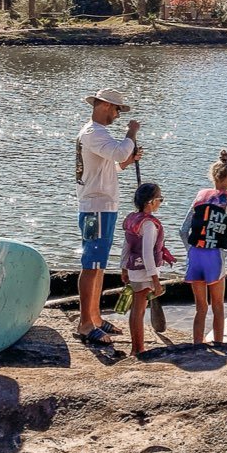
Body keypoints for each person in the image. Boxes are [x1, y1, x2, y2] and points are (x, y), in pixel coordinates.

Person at [75, 88, 141, 345]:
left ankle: (95, 317)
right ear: (103, 105)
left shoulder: (98, 134)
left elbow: (112, 163)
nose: (117, 114)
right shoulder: (93, 132)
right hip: (95, 207)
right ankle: (84, 323)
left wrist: (127, 160)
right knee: (91, 263)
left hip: (102, 205)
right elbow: (119, 152)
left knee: (99, 263)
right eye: (116, 109)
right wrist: (131, 133)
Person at [180, 156, 227, 344]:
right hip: (215, 256)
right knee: (218, 306)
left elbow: (183, 231)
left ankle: (197, 345)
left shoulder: (200, 196)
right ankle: (220, 345)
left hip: (195, 254)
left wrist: (191, 249)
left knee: (201, 308)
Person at [120, 183, 167, 356]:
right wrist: (156, 281)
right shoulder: (148, 225)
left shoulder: (132, 219)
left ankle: (136, 347)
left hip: (134, 269)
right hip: (145, 272)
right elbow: (148, 254)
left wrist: (124, 268)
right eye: (160, 199)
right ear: (150, 202)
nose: (160, 203)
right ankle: (137, 349)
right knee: (138, 311)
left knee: (136, 310)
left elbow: (126, 246)